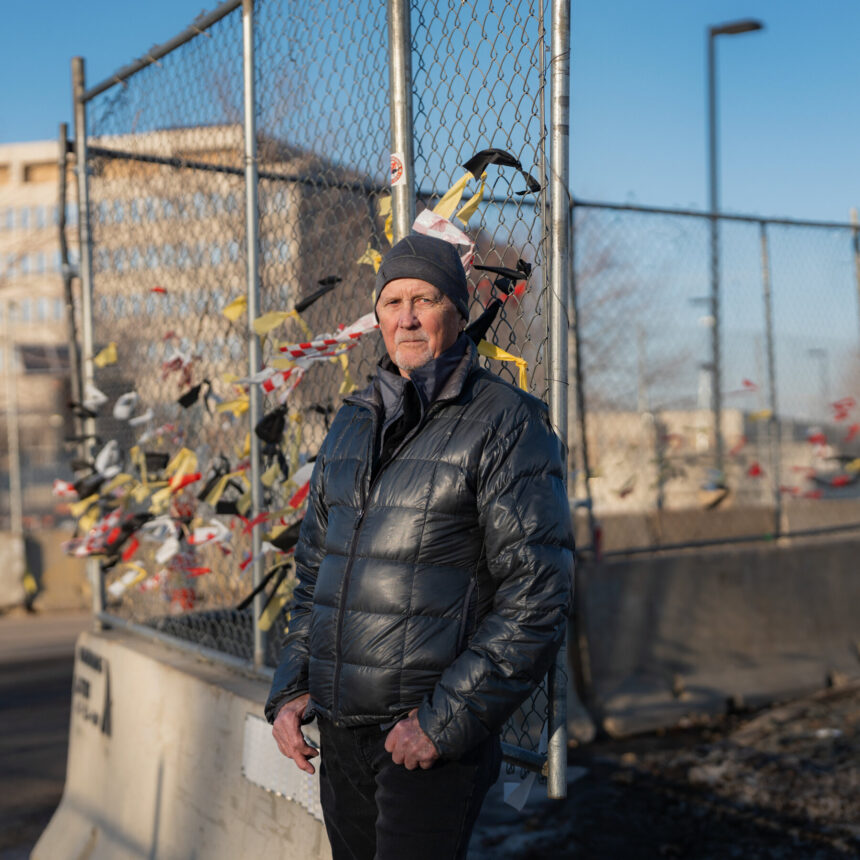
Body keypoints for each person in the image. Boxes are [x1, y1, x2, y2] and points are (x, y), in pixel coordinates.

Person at [266, 232, 574, 860]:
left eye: (425, 299)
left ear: (456, 311)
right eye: (393, 301)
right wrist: (293, 686)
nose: (406, 316)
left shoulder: (505, 422)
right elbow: (313, 573)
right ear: (376, 317)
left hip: (422, 736)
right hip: (341, 733)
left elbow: (537, 597)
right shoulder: (353, 422)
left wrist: (441, 722)